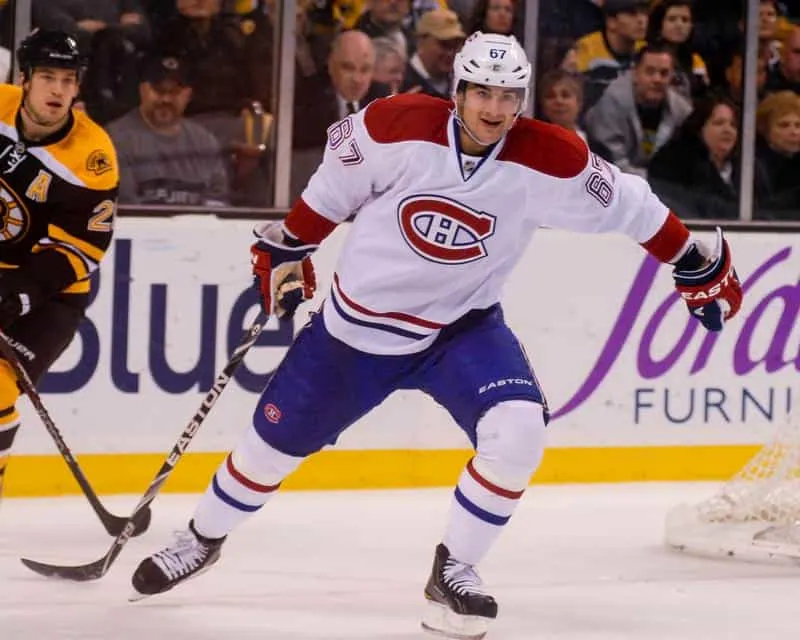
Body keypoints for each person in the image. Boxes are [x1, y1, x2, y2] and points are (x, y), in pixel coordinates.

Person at [131, 32, 743, 639]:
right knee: (267, 448)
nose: (496, 110)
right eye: (483, 93)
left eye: (509, 96)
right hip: (355, 333)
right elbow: (329, 193)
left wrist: (690, 258)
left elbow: (633, 206)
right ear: (458, 91)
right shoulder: (395, 125)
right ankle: (202, 538)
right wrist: (290, 243)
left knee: (519, 429)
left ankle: (456, 570)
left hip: (462, 330)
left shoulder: (547, 157)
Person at [0, 30, 118, 496]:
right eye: (47, 77)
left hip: (51, 295)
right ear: (25, 78)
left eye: (68, 80)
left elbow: (81, 248)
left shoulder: (92, 159)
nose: (58, 90)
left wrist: (23, 292)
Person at [107, 54, 229, 206]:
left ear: (188, 95)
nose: (166, 99)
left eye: (174, 92)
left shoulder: (205, 141)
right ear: (142, 90)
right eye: (158, 90)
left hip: (197, 228)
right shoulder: (115, 139)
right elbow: (126, 210)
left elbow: (218, 204)